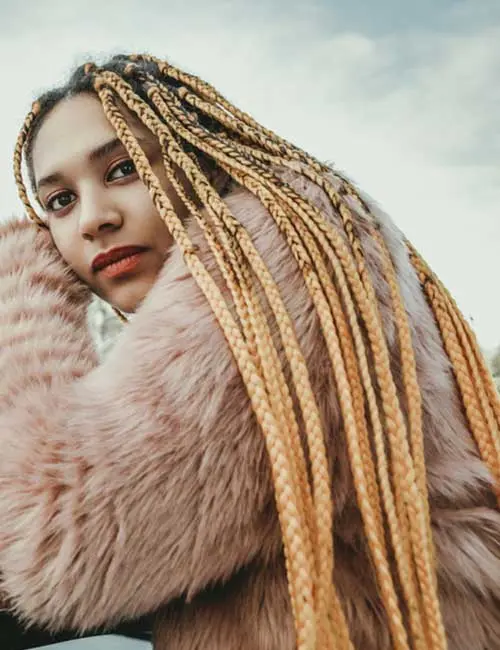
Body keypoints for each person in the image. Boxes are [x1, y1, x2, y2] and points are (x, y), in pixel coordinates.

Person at [0, 52, 499, 650]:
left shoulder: (269, 263)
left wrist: (21, 289)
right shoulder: (308, 257)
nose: (92, 220)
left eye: (124, 168)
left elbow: (59, 547)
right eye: (59, 203)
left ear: (203, 160)